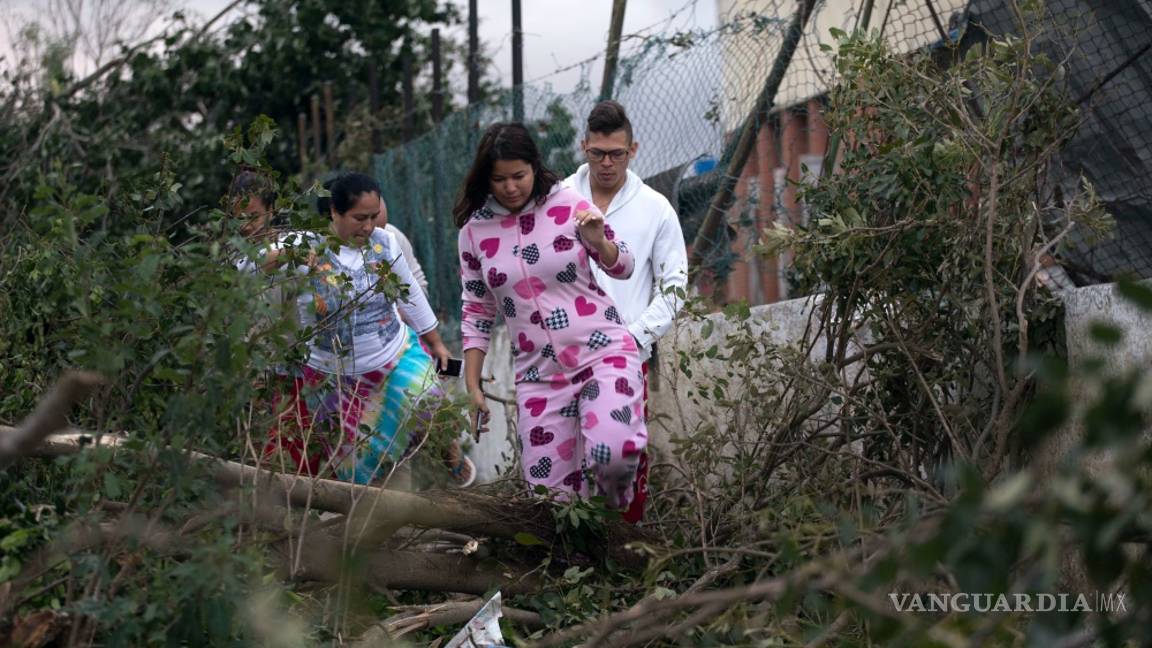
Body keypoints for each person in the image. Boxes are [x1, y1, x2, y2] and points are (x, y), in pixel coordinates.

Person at [455, 122, 648, 508]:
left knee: (611, 456)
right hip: (539, 377)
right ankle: (575, 560)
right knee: (548, 502)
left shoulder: (569, 204)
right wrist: (473, 386)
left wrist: (599, 242)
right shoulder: (474, 232)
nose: (510, 187)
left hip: (602, 354)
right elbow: (476, 310)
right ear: (485, 179)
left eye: (519, 176)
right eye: (499, 179)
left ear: (534, 167)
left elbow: (623, 265)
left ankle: (617, 521)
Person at [263, 172, 454, 485]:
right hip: (334, 379)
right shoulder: (305, 245)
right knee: (360, 468)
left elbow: (411, 294)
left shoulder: (386, 242)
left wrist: (437, 343)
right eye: (359, 218)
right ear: (334, 213)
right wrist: (283, 254)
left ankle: (413, 470)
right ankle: (373, 522)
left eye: (373, 216)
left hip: (393, 356)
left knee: (425, 396)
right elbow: (246, 265)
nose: (368, 226)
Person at [565, 100, 688, 522]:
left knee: (622, 462)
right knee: (565, 471)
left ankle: (626, 559)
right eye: (597, 153)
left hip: (625, 359)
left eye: (616, 154)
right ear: (583, 146)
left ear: (633, 150)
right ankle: (570, 567)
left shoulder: (655, 208)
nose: (606, 163)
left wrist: (634, 336)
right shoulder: (558, 200)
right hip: (563, 359)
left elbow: (675, 285)